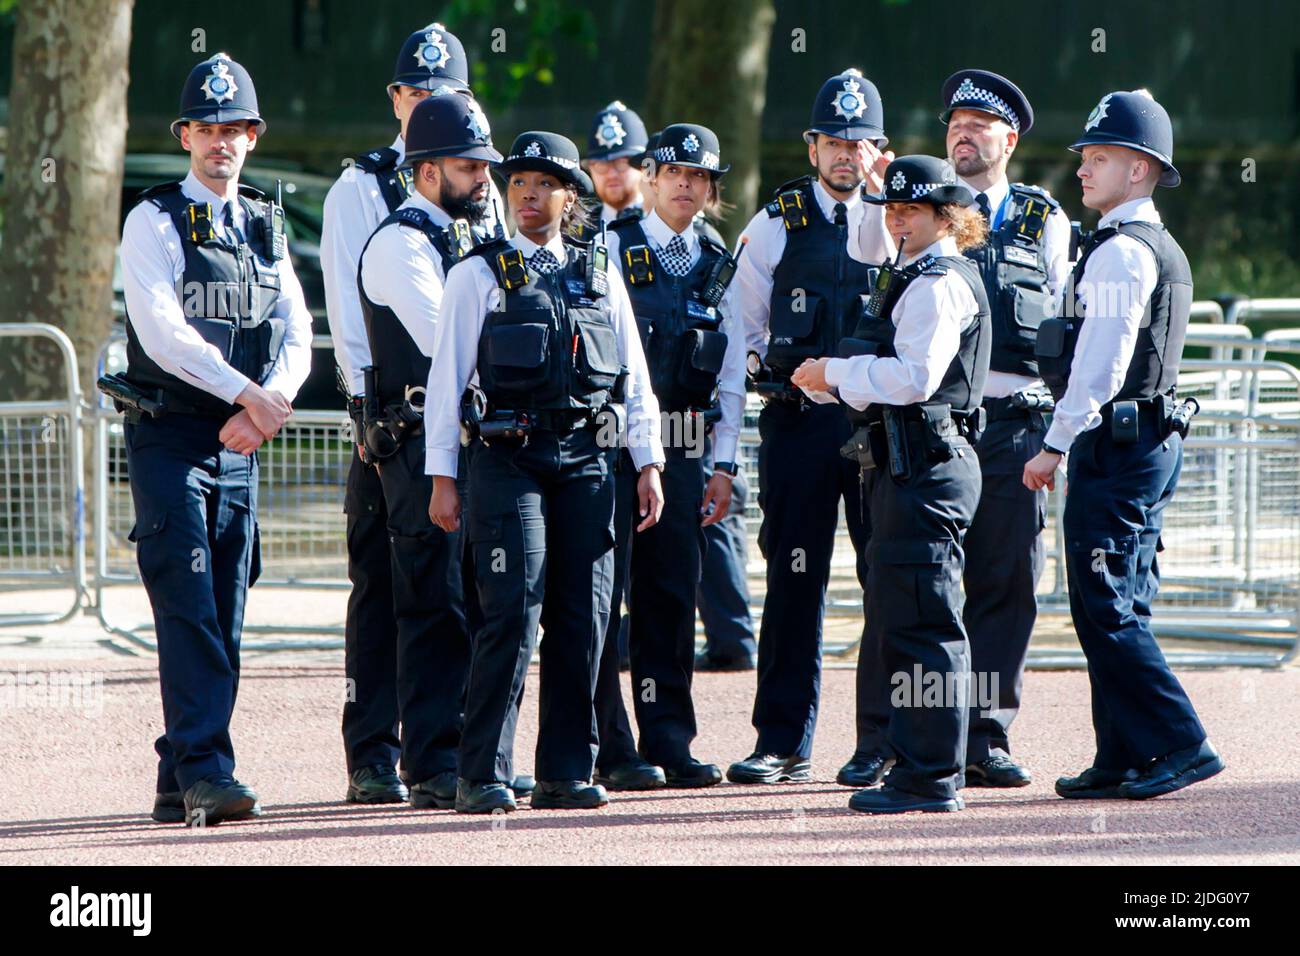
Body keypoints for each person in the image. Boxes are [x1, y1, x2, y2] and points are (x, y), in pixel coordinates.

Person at [425, 131, 666, 813]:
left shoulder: (600, 270)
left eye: (543, 185)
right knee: (511, 608)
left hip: (590, 461)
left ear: (570, 197)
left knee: (586, 614)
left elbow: (633, 378)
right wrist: (443, 478)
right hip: (508, 461)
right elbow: (447, 383)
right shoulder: (476, 272)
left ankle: (565, 769)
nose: (528, 197)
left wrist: (647, 461)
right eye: (518, 184)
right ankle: (483, 771)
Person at [116, 53, 313, 825]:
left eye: (235, 129)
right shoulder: (153, 218)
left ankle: (177, 771)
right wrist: (248, 395)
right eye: (208, 128)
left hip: (243, 437)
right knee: (190, 604)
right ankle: (207, 770)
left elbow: (296, 326)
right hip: (173, 435)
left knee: (227, 610)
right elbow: (161, 331)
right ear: (187, 135)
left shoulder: (265, 222)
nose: (222, 142)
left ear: (253, 137)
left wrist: (273, 405)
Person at [321, 21, 502, 805]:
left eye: (444, 91)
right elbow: (348, 304)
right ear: (395, 98)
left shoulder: (477, 184)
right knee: (382, 584)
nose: (425, 100)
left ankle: (443, 746)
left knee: (446, 582)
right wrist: (362, 405)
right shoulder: (362, 188)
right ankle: (372, 748)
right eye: (415, 90)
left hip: (459, 415)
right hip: (390, 410)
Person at [1027, 90, 1224, 800]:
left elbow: (1102, 367)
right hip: (1142, 442)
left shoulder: (1119, 253)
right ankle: (1124, 752)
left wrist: (1054, 444)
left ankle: (1178, 743)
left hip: (1119, 446)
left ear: (1139, 169)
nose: (1083, 168)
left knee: (1104, 605)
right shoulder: (1142, 244)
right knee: (1121, 603)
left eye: (1100, 157)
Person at [793, 154, 991, 813]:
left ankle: (931, 775)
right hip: (902, 462)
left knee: (922, 623)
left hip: (925, 466)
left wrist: (833, 377)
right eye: (893, 208)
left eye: (912, 209)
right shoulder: (907, 276)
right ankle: (919, 764)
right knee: (904, 621)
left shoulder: (937, 282)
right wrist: (823, 382)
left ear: (948, 218)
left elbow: (914, 379)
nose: (898, 218)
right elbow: (880, 373)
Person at [725, 68, 894, 787]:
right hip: (797, 428)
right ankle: (782, 741)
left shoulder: (898, 220)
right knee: (795, 583)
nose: (846, 154)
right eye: (834, 141)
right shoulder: (771, 224)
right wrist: (722, 453)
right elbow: (740, 333)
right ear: (812, 146)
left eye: (860, 142)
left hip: (877, 429)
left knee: (887, 580)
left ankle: (881, 742)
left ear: (878, 148)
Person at [591, 124, 746, 790]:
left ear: (712, 190)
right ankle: (611, 744)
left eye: (700, 177)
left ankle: (669, 740)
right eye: (675, 172)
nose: (687, 185)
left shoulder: (717, 257)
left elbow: (734, 366)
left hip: (684, 449)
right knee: (600, 598)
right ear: (649, 177)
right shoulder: (608, 246)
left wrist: (725, 463)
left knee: (670, 598)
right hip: (609, 446)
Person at [939, 69, 1072, 788]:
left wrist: (1059, 433)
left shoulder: (1044, 217)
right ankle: (913, 732)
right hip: (936, 425)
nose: (963, 132)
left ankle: (984, 733)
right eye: (955, 122)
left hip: (1016, 422)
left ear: (1009, 138)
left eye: (979, 123)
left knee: (1008, 577)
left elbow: (1065, 325)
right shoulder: (924, 207)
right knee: (922, 579)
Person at [583, 100, 650, 232]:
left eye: (622, 163)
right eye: (601, 165)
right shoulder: (577, 231)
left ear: (644, 167)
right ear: (590, 168)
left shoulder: (665, 224)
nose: (611, 174)